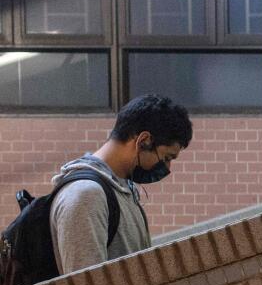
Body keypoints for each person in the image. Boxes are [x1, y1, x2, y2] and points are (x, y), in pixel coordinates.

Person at [50, 94, 192, 275]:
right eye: (166, 158)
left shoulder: (122, 189)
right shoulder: (86, 196)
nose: (167, 167)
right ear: (144, 141)